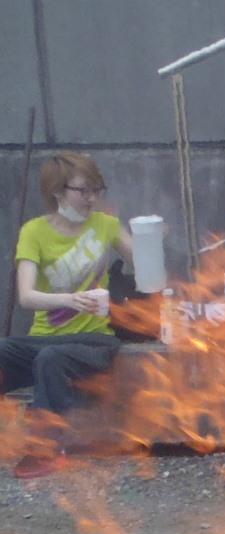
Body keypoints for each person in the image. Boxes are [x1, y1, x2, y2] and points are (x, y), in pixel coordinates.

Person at [4, 151, 134, 479]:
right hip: (43, 339)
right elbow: (27, 297)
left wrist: (148, 247)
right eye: (83, 190)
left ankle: (47, 449)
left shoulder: (106, 225)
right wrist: (71, 299)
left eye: (96, 189)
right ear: (57, 192)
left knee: (51, 358)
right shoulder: (34, 232)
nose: (92, 198)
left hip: (94, 339)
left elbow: (149, 268)